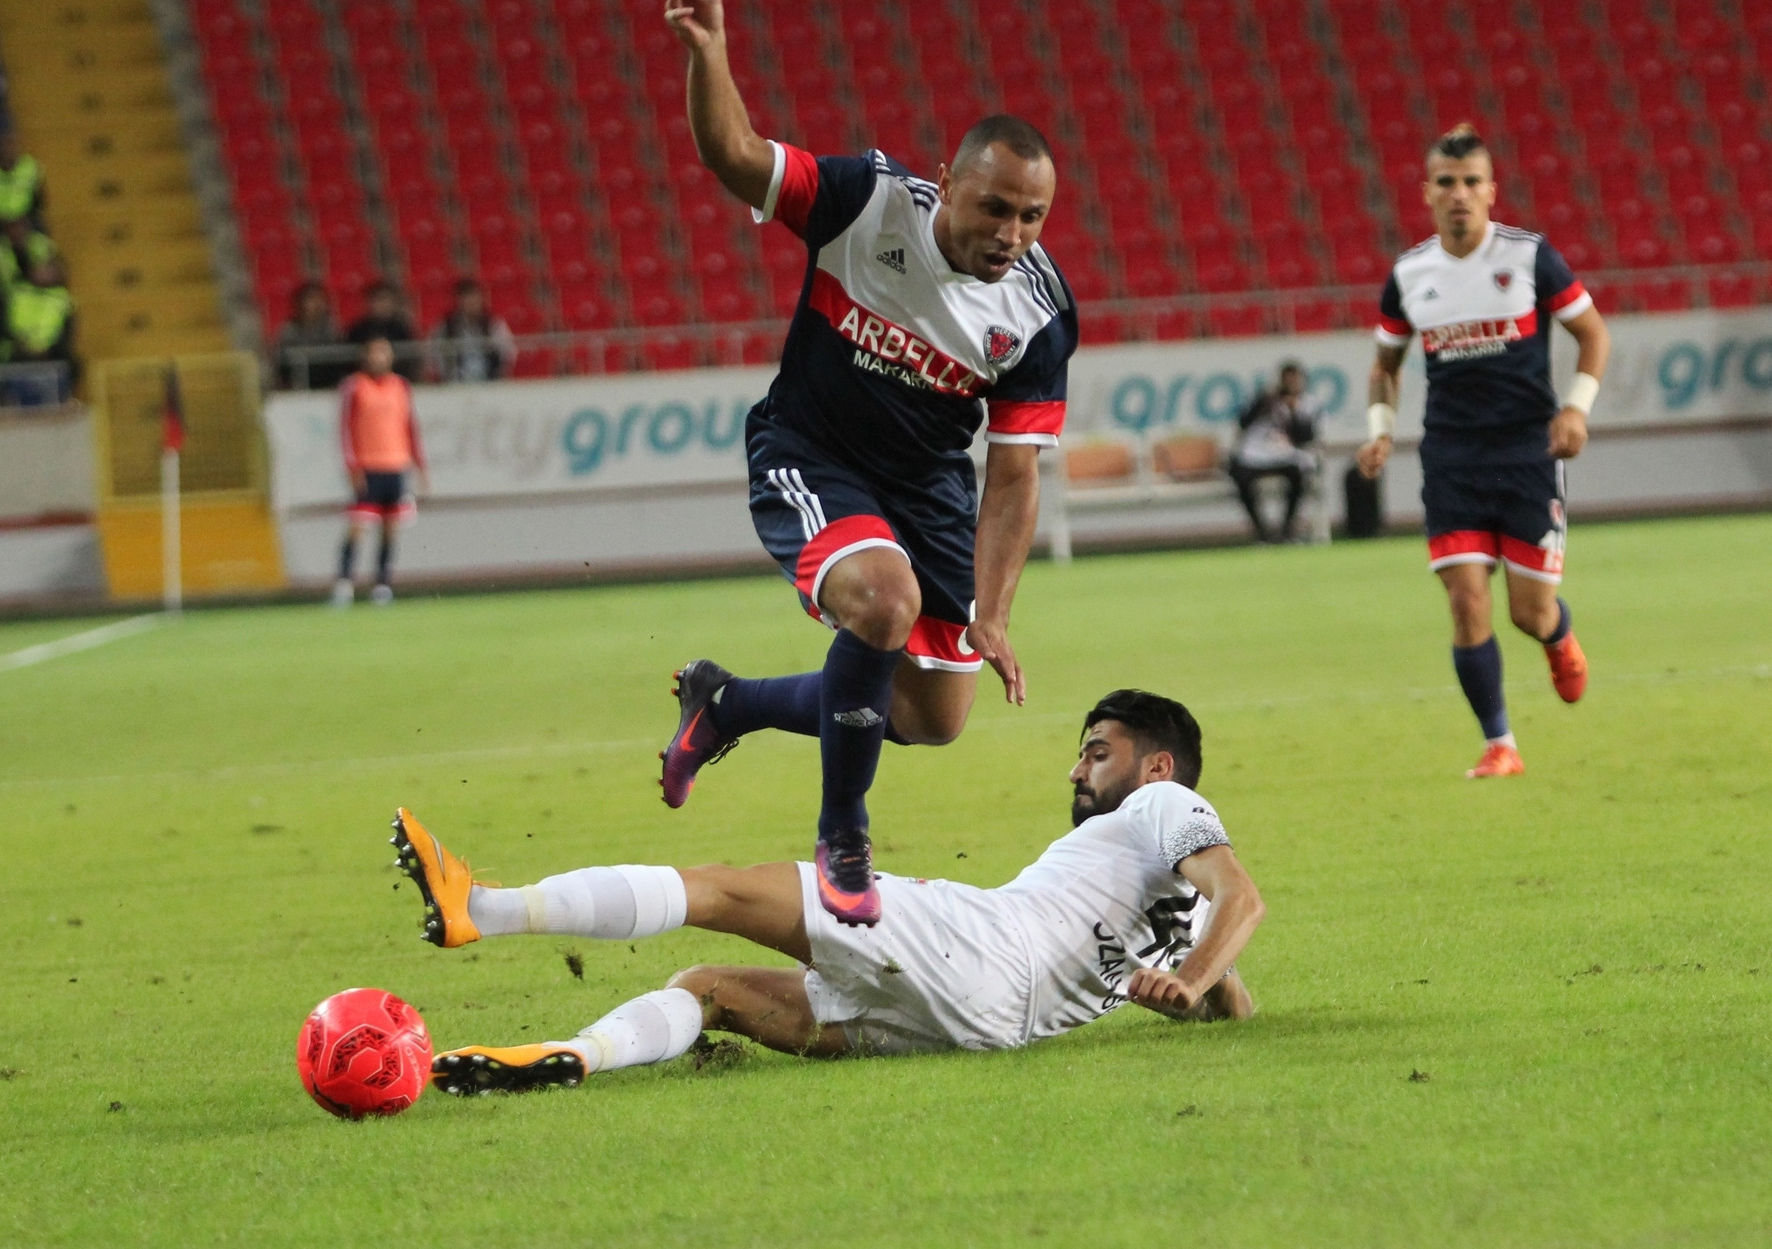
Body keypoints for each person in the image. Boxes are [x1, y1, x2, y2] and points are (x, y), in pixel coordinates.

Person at [656, 0, 1078, 928]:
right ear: (946, 183)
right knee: (883, 603)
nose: (1011, 233)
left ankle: (726, 704)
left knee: (931, 717)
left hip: (926, 486)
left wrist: (995, 612)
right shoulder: (864, 202)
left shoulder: (1039, 313)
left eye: (1032, 216)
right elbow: (736, 156)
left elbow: (1013, 472)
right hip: (810, 453)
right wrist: (709, 54)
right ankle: (842, 835)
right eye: (994, 207)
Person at [386, 689, 1264, 1094]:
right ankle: (578, 1055)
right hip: (986, 1030)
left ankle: (484, 909)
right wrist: (1198, 987)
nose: (1076, 769)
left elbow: (1243, 899)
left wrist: (1188, 981)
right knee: (710, 988)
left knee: (721, 891)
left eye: (1097, 752)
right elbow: (1226, 991)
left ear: (1156, 766)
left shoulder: (1162, 802)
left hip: (979, 942)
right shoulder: (1176, 910)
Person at [1356, 124, 1610, 779]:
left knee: (1529, 612)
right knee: (1466, 602)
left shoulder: (1529, 257)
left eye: (1471, 182)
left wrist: (1575, 408)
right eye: (1446, 183)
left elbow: (1592, 333)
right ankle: (1501, 743)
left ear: (1491, 190)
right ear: (1427, 193)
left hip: (1527, 454)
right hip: (1452, 460)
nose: (1459, 194)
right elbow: (1384, 364)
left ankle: (1556, 634)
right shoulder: (1410, 274)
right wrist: (1380, 427)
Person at [332, 336, 428, 606]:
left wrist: (419, 465)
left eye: (383, 353)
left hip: (396, 465)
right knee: (358, 527)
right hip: (368, 467)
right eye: (373, 353)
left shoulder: (400, 386)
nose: (378, 358)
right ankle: (344, 584)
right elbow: (346, 429)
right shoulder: (355, 386)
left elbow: (410, 427)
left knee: (390, 529)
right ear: (365, 357)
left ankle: (382, 585)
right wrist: (353, 466)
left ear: (390, 357)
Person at [1228, 360, 1320, 543]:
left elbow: (1305, 437)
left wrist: (1293, 412)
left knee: (1299, 476)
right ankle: (1261, 531)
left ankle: (1287, 528)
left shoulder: (1308, 403)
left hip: (1286, 456)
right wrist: (1262, 403)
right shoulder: (1266, 400)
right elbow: (1243, 422)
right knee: (1239, 475)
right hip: (1257, 456)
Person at [0, 256, 76, 387]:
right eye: (41, 268)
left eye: (50, 270)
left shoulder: (63, 299)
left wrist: (45, 349)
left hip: (48, 351)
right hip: (17, 347)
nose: (44, 272)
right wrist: (21, 342)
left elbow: (66, 333)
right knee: (3, 356)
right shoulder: (18, 292)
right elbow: (3, 323)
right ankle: (5, 396)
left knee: (72, 364)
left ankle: (63, 396)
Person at [428, 278, 517, 382]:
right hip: (456, 382)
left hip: (490, 381)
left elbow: (508, 353)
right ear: (459, 301)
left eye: (475, 298)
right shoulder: (446, 326)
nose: (471, 303)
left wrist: (500, 375)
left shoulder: (494, 324)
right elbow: (435, 354)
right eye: (467, 299)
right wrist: (445, 376)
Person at [272, 280, 343, 389]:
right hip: (298, 384)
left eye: (320, 300)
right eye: (311, 300)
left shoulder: (332, 328)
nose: (317, 304)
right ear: (300, 303)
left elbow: (338, 357)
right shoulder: (290, 329)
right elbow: (284, 360)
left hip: (328, 382)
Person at [343, 281, 419, 379]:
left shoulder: (401, 329)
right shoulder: (358, 330)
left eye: (386, 300)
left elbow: (410, 357)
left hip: (396, 377)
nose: (382, 305)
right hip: (364, 379)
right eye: (378, 300)